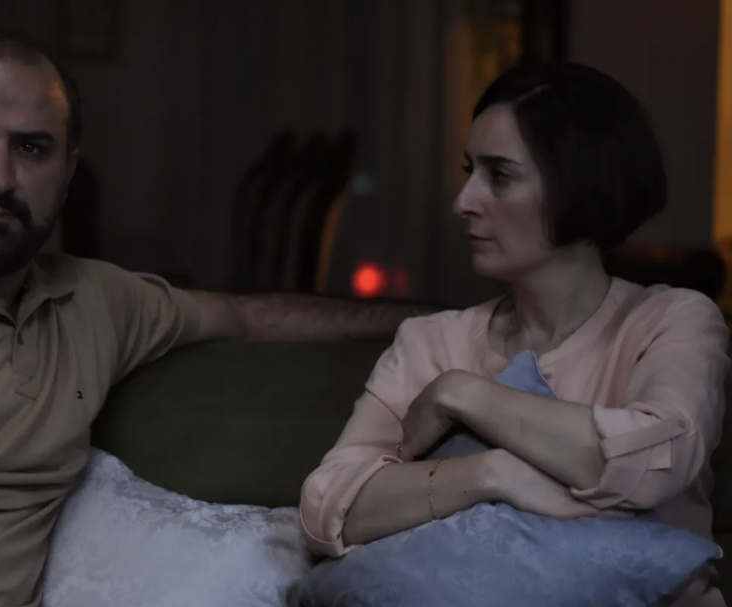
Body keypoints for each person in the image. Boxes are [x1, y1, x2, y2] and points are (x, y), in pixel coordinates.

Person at [0, 28, 440, 607]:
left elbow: (249, 317)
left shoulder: (96, 301)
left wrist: (457, 319)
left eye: (31, 149)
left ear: (67, 170)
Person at [299, 62, 730, 606]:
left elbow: (655, 461)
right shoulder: (430, 341)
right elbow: (327, 506)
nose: (463, 201)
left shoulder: (672, 319)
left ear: (581, 183)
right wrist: (489, 474)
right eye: (469, 171)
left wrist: (464, 393)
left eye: (499, 175)